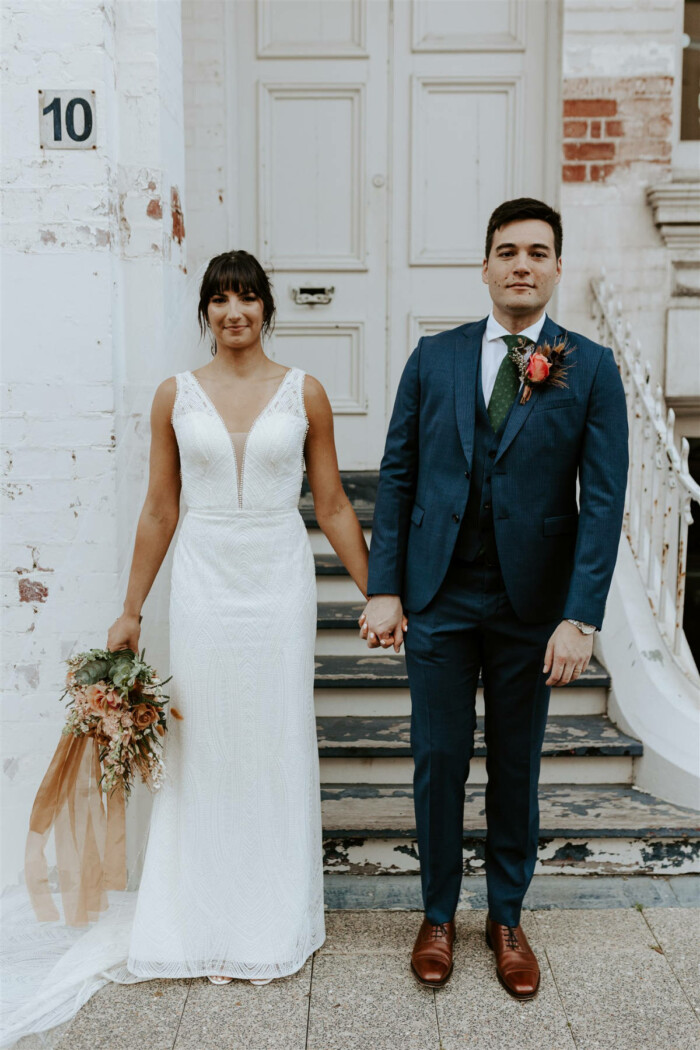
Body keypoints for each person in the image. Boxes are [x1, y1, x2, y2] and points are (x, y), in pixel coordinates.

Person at [359, 198, 628, 998]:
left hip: (531, 607)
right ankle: (438, 913)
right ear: (484, 267)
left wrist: (581, 616)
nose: (521, 264)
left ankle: (506, 916)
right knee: (438, 763)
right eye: (507, 251)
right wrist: (385, 587)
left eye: (537, 253)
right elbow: (399, 474)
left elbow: (604, 500)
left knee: (515, 768)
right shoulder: (432, 358)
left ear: (554, 269)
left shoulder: (592, 367)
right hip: (439, 596)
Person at [102, 249, 369, 986]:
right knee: (206, 740)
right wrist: (131, 610)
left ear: (266, 308)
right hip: (204, 579)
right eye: (220, 298)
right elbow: (161, 508)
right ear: (206, 312)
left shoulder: (304, 393)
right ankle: (199, 919)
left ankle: (274, 916)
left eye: (247, 296)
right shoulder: (174, 396)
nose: (234, 311)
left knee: (275, 735)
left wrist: (379, 591)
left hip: (278, 580)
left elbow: (334, 503)